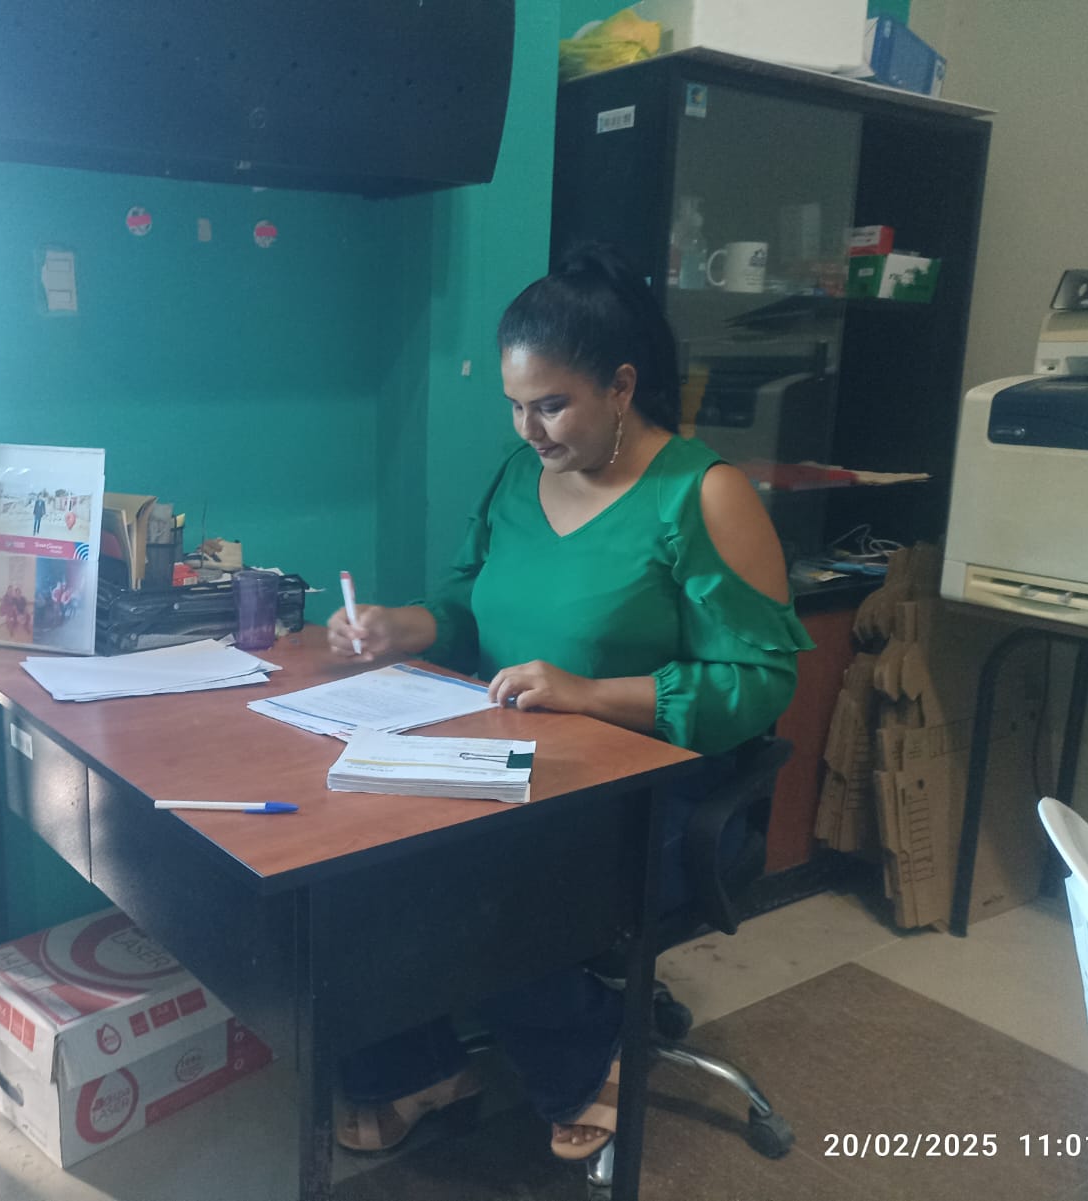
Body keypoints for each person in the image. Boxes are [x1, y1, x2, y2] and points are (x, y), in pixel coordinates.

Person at [326, 243, 813, 1162]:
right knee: (352, 850)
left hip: (650, 792)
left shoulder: (701, 494)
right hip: (510, 760)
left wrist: (589, 693)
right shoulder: (520, 477)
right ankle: (419, 1068)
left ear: (621, 385)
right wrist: (403, 627)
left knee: (481, 885)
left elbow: (760, 681)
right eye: (515, 405)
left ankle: (587, 1055)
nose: (530, 429)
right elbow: (469, 601)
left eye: (551, 404)